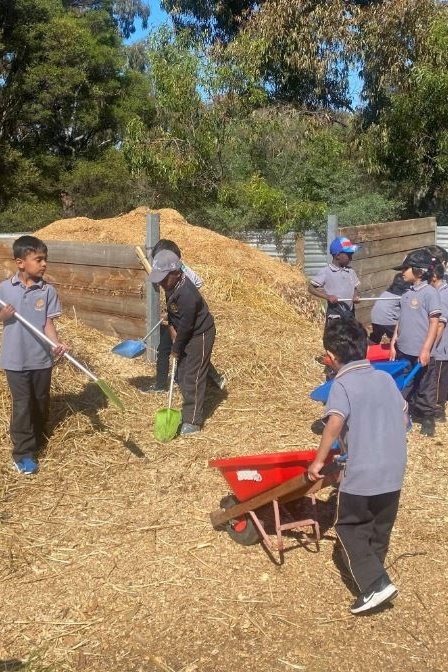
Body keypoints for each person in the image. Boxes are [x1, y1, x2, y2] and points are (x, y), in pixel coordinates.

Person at [308, 318, 408, 615]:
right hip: (394, 471)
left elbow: (334, 423)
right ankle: (376, 574)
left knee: (349, 526)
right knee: (379, 525)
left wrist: (318, 461)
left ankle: (375, 584)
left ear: (333, 357)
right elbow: (403, 420)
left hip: (363, 472)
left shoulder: (342, 383)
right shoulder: (385, 379)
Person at [0, 235, 67, 474]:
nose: (44, 264)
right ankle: (23, 453)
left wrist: (55, 344)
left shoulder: (47, 291)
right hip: (15, 360)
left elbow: (47, 323)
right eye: (38, 259)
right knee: (22, 405)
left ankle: (37, 439)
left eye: (45, 259)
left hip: (41, 359)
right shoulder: (5, 289)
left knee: (40, 402)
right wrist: (4, 316)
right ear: (20, 262)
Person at [149, 249, 216, 436]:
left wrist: (176, 348)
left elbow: (186, 327)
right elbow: (172, 312)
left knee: (192, 376)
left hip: (199, 335)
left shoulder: (188, 295)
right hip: (184, 333)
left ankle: (192, 420)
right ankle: (190, 405)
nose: (161, 283)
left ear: (176, 273)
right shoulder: (171, 285)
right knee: (183, 372)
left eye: (163, 278)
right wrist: (171, 326)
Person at [146, 239, 225, 393]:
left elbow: (195, 287)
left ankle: (211, 379)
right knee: (169, 350)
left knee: (185, 353)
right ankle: (163, 384)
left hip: (187, 323)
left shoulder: (182, 275)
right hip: (176, 319)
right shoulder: (168, 275)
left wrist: (181, 307)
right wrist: (169, 312)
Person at [390, 248, 442, 437]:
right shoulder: (406, 293)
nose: (402, 272)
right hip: (405, 349)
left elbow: (434, 322)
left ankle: (427, 417)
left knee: (426, 386)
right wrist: (395, 340)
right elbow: (401, 319)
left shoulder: (430, 293)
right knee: (406, 382)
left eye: (406, 269)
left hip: (423, 351)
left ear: (419, 271)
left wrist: (426, 349)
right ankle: (406, 412)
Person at [308, 236, 361, 323]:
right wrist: (327, 297)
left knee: (350, 335)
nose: (351, 258)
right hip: (335, 314)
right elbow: (310, 288)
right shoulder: (326, 272)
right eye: (349, 255)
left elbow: (354, 288)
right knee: (335, 336)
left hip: (350, 312)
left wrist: (355, 296)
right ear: (338, 256)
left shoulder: (350, 271)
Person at [429, 261, 448, 422]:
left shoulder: (441, 296)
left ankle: (438, 408)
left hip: (440, 346)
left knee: (438, 376)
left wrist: (430, 346)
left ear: (434, 276)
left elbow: (441, 324)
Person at [368, 273, 411, 344]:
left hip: (375, 318)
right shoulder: (404, 294)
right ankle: (396, 351)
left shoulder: (388, 291)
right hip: (388, 319)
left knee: (375, 337)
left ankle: (368, 350)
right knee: (398, 338)